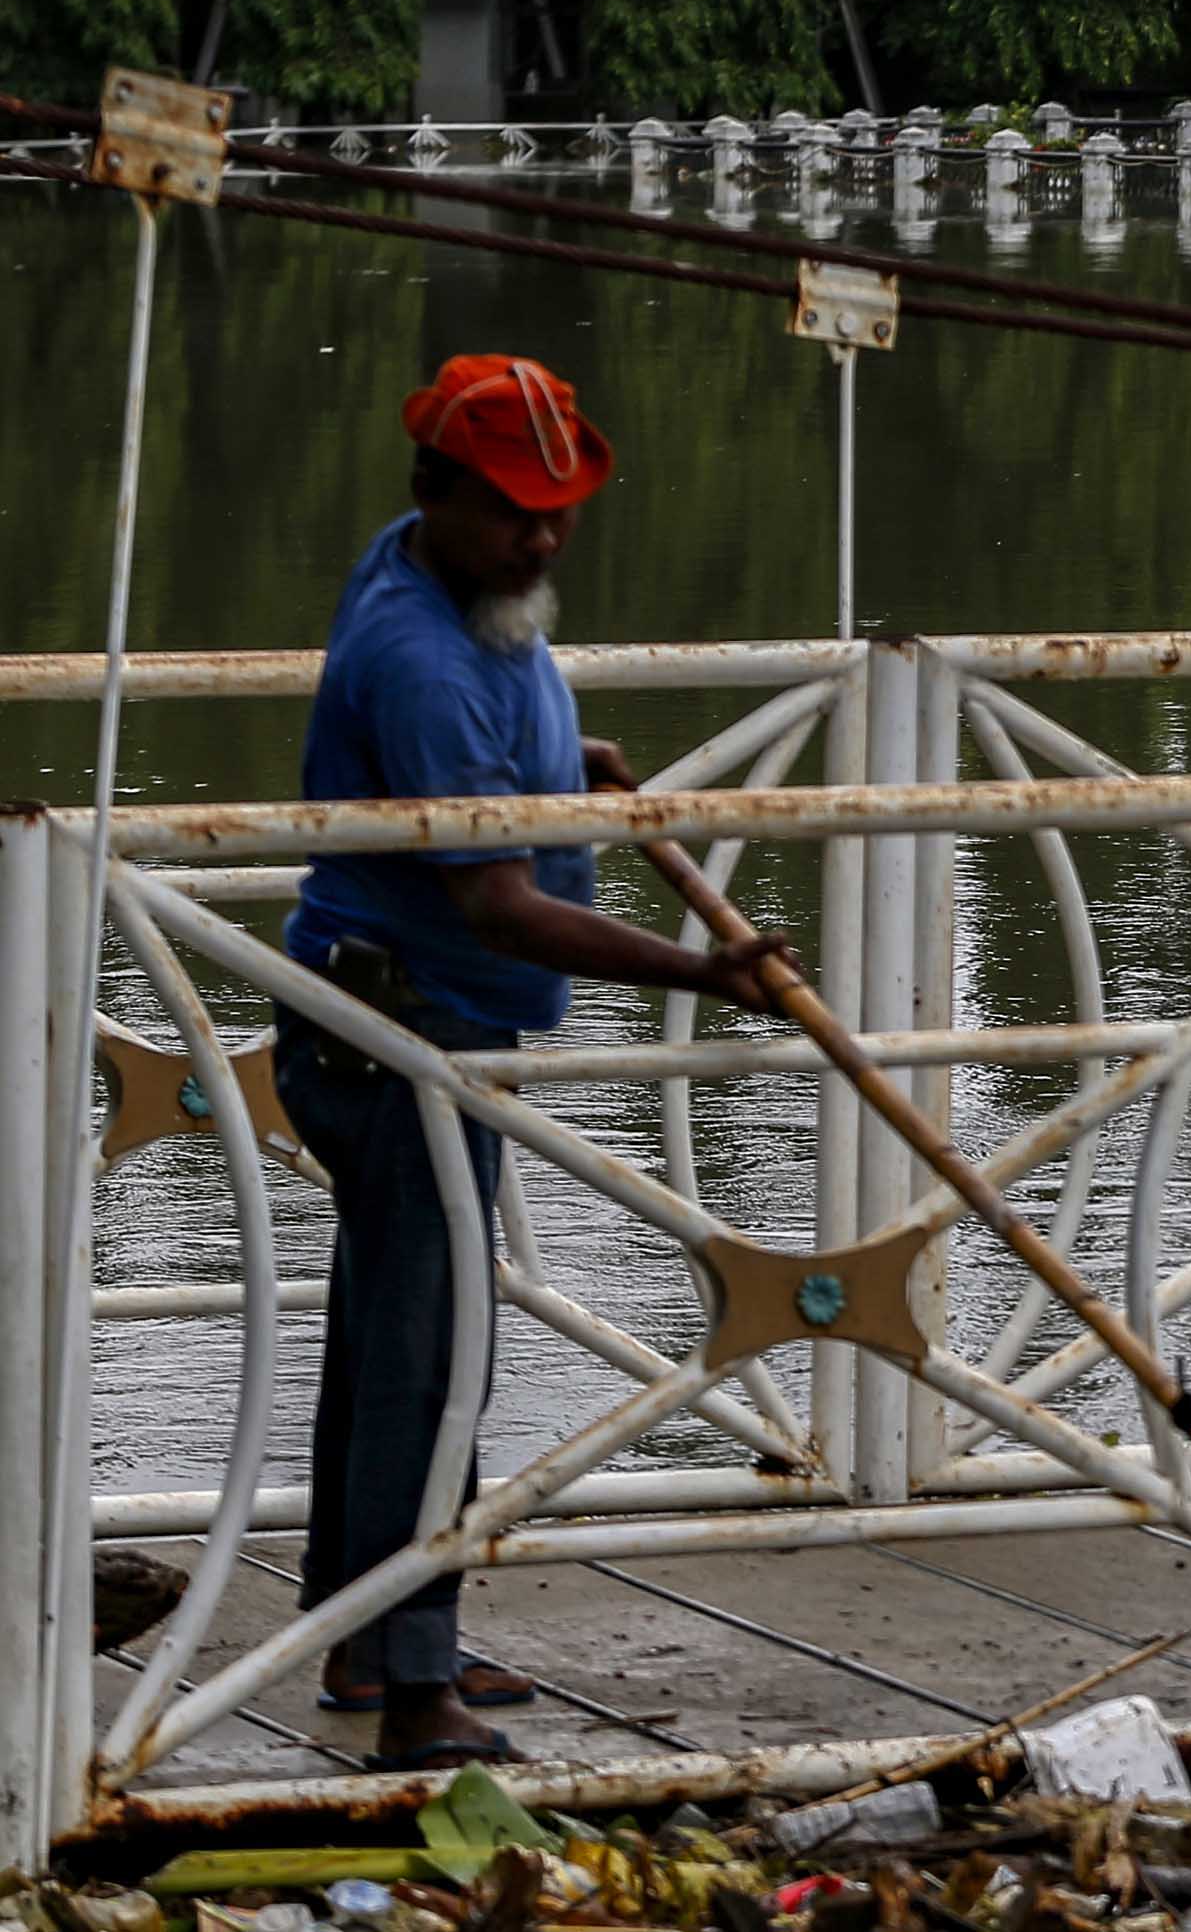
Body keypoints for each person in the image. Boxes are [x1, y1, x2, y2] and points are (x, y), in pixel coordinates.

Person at [275, 355, 780, 1770]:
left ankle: (377, 1640)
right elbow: (495, 897)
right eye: (515, 513)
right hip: (399, 1042)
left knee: (397, 1346)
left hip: (402, 1028)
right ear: (434, 493)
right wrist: (705, 972)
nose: (544, 539)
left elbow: (479, 740)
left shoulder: (448, 588)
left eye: (562, 510)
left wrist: (571, 754)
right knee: (434, 1365)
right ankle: (415, 1691)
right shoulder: (420, 652)